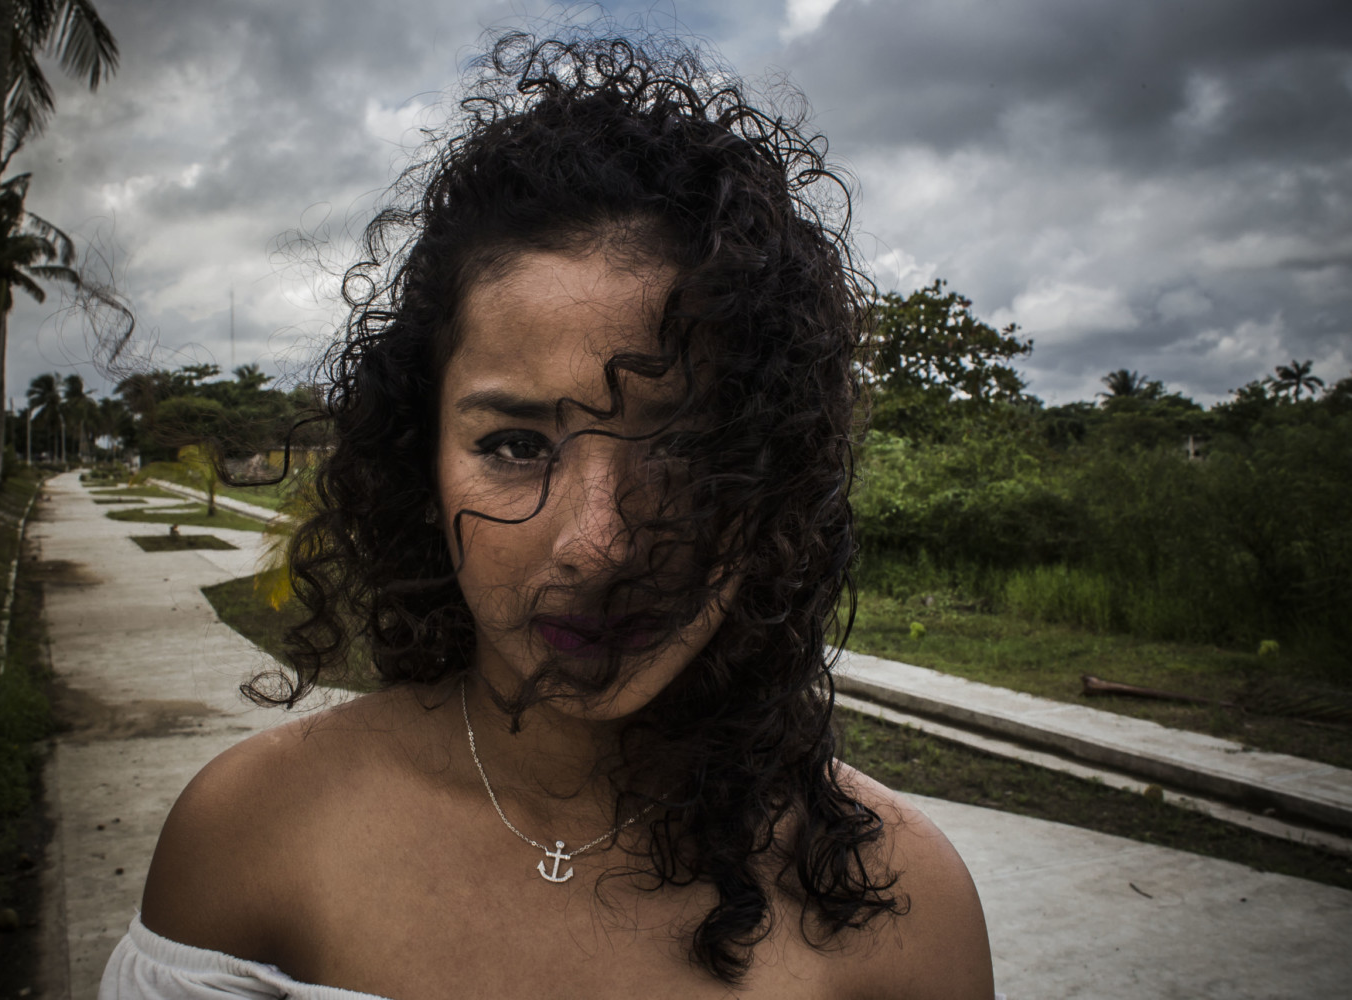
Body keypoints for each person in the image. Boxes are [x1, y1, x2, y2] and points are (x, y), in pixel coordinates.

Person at [101, 28, 994, 1000]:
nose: (599, 545)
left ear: (777, 474)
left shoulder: (903, 909)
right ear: (420, 461)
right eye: (516, 445)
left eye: (685, 451)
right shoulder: (251, 835)